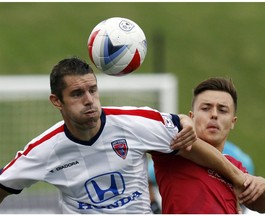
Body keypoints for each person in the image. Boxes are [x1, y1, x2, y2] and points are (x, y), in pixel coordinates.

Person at [0, 58, 247, 213]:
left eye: (93, 90)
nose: (89, 100)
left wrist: (238, 178)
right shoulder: (44, 150)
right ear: (57, 101)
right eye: (77, 94)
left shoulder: (134, 123)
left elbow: (187, 143)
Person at [152, 77, 265, 214]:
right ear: (191, 116)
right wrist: (181, 118)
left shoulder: (236, 165)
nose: (214, 115)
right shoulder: (176, 145)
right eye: (206, 108)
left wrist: (264, 186)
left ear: (233, 122)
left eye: (223, 110)